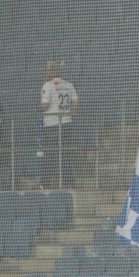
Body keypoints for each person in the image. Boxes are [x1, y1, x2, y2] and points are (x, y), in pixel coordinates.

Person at [39, 60, 79, 188]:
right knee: (65, 153)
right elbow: (75, 104)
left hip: (51, 124)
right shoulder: (68, 85)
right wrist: (68, 113)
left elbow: (45, 105)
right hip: (66, 123)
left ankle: (45, 183)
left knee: (49, 154)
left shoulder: (48, 85)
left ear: (50, 71)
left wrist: (38, 108)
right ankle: (68, 182)